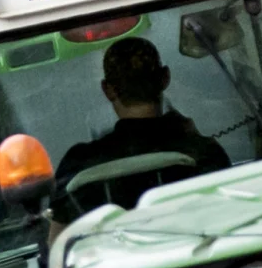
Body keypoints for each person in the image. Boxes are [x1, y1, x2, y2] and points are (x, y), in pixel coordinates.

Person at [56, 36, 225, 207]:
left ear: (107, 90)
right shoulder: (203, 152)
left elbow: (58, 233)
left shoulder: (77, 164)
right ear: (165, 78)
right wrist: (193, 137)